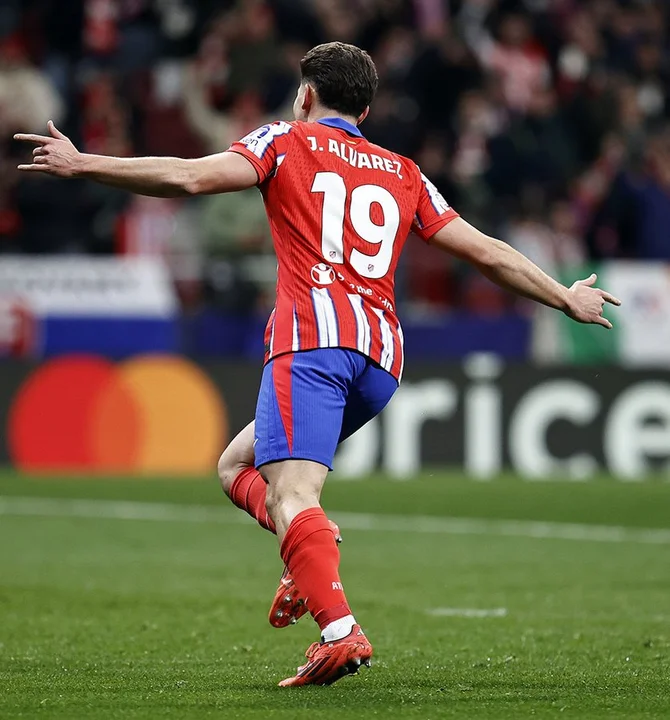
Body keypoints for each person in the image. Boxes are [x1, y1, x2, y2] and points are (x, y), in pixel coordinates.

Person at [14, 41, 620, 688]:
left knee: (294, 494)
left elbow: (189, 178)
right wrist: (563, 296)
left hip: (313, 344)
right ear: (367, 108)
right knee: (235, 466)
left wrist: (85, 163)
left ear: (306, 95)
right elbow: (486, 251)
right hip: (381, 360)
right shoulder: (403, 171)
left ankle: (338, 631)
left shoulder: (284, 139)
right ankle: (308, 547)